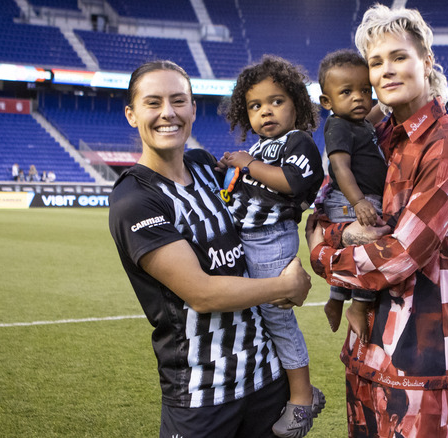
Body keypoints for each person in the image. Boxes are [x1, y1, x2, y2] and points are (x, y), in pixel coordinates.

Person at [108, 60, 313, 438]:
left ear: (193, 109)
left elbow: (268, 202)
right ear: (131, 114)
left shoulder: (205, 166)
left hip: (267, 379)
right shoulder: (135, 200)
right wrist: (285, 286)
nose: (167, 113)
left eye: (178, 101)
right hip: (204, 393)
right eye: (153, 103)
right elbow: (201, 294)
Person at [306, 5, 448, 437]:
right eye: (376, 62)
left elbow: (399, 256)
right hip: (366, 349)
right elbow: (327, 208)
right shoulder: (379, 137)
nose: (386, 70)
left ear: (426, 62)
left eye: (399, 57)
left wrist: (322, 249)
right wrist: (335, 229)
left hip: (420, 360)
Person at [219, 54, 325, 438]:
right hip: (243, 239)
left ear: (297, 103)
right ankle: (272, 386)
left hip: (270, 240)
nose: (266, 112)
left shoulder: (298, 142)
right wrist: (228, 173)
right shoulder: (259, 149)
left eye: (276, 101)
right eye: (255, 105)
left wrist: (247, 165)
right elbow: (237, 191)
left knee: (277, 317)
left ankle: (302, 398)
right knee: (254, 316)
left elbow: (293, 182)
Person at [316, 49, 387, 335]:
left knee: (351, 251)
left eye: (365, 90)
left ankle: (335, 300)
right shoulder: (338, 125)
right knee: (370, 250)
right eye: (347, 92)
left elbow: (378, 110)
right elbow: (341, 167)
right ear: (327, 101)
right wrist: (358, 202)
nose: (358, 97)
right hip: (352, 200)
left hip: (359, 199)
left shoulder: (361, 121)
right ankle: (358, 306)